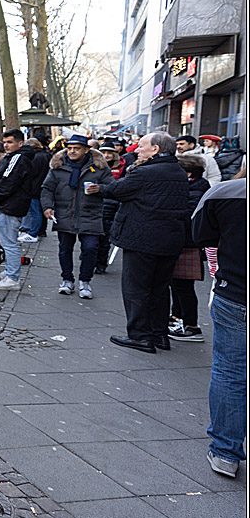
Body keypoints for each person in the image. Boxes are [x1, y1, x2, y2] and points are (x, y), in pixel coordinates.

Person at [96, 132, 189, 353]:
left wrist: (98, 188)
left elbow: (116, 191)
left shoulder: (145, 173)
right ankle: (159, 335)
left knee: (136, 289)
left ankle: (139, 336)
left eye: (141, 146)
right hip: (170, 239)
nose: (136, 150)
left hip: (142, 239)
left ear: (156, 149)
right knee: (159, 289)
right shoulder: (178, 171)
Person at [190, 169, 246, 478]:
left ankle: (226, 453)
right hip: (235, 295)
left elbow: (202, 235)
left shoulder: (226, 192)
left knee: (230, 372)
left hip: (236, 293)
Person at [40, 134, 113, 299]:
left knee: (90, 248)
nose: (72, 151)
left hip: (91, 214)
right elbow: (47, 188)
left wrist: (100, 189)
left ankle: (85, 281)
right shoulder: (58, 167)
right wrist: (48, 207)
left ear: (86, 150)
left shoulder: (99, 167)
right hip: (65, 214)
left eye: (76, 148)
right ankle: (67, 280)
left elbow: (112, 187)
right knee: (65, 249)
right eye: (70, 148)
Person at [167, 154, 212, 341]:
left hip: (187, 243)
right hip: (184, 241)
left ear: (187, 173)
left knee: (183, 286)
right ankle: (177, 317)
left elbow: (187, 214)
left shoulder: (196, 189)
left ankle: (192, 326)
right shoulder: (195, 186)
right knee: (177, 284)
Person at [0, 129, 34, 291]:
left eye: (10, 142)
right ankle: (10, 271)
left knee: (9, 243)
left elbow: (8, 181)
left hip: (10, 205)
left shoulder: (19, 158)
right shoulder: (17, 157)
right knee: (8, 242)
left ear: (20, 143)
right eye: (5, 142)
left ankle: (13, 278)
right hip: (12, 204)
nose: (6, 145)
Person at [93, 148, 124, 274]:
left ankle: (101, 262)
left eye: (109, 153)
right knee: (92, 238)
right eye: (103, 153)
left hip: (113, 205)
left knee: (105, 237)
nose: (106, 156)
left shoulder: (122, 167)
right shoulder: (93, 167)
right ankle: (92, 259)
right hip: (95, 204)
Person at [20, 137, 51, 242]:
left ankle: (33, 233)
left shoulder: (35, 158)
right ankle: (40, 230)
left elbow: (30, 173)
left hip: (34, 188)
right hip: (42, 187)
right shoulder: (46, 155)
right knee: (40, 211)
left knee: (35, 212)